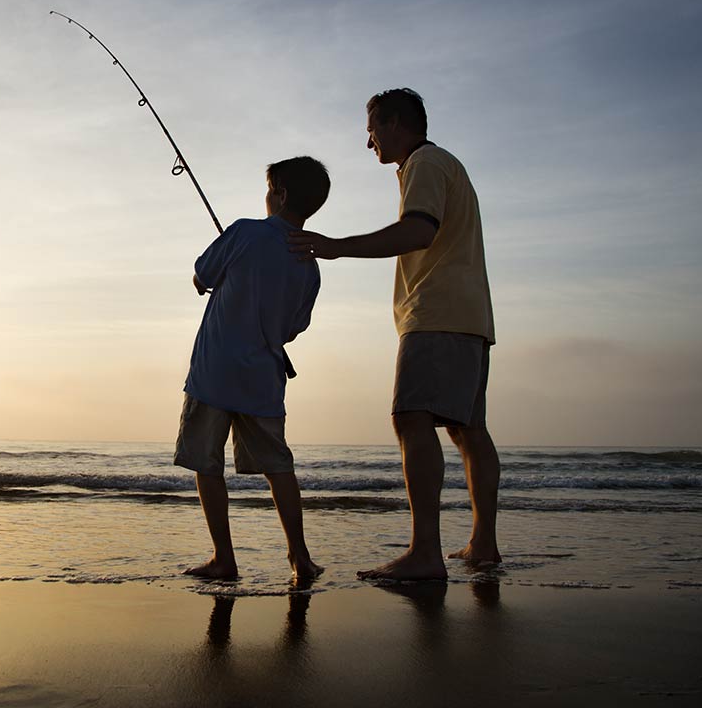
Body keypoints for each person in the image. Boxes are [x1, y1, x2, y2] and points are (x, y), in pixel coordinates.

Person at [288, 89, 500, 581]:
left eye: (371, 130)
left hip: (436, 313)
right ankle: (483, 544)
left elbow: (418, 232)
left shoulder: (424, 163)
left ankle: (425, 552)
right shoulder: (446, 164)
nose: (369, 143)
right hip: (469, 316)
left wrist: (336, 247)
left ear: (395, 123)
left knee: (410, 418)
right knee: (467, 431)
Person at [175, 156, 330, 582]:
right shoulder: (310, 266)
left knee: (208, 464)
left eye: (268, 190)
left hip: (214, 373)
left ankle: (224, 559)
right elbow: (295, 327)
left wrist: (208, 280)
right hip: (263, 379)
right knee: (278, 466)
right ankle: (300, 557)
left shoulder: (245, 231)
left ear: (278, 195)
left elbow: (201, 274)